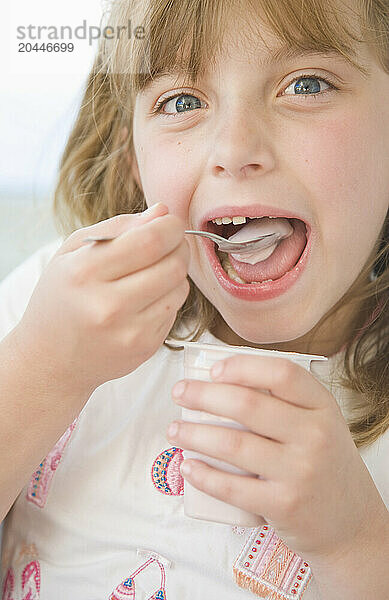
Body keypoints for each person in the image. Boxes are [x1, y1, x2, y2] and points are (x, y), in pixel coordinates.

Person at [0, 0, 388, 598]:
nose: (235, 148)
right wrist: (41, 372)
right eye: (182, 102)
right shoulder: (54, 303)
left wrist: (357, 544)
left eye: (306, 85)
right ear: (132, 157)